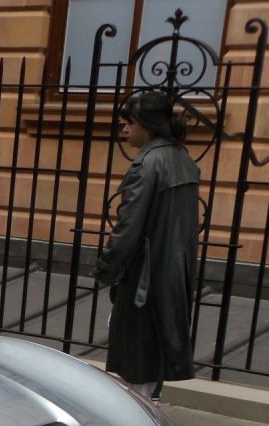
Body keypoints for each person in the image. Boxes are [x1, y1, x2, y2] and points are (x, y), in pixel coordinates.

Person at [95, 91, 200, 401]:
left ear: (146, 124)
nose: (124, 129)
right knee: (155, 341)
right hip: (173, 265)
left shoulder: (148, 163)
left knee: (136, 346)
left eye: (129, 122)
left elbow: (129, 224)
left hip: (146, 267)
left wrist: (108, 266)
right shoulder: (181, 157)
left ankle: (141, 416)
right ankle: (150, 401)